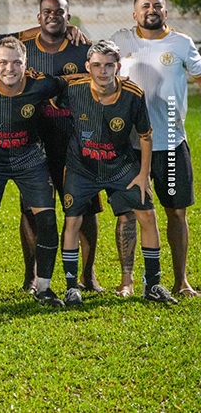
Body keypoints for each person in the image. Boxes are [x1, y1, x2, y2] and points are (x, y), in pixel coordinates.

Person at [58, 40, 177, 305]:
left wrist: (143, 174)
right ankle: (70, 286)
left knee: (147, 214)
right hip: (81, 167)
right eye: (97, 65)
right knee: (72, 220)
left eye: (109, 65)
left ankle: (153, 285)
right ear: (87, 67)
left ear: (118, 67)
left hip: (120, 166)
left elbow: (146, 135)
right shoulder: (73, 89)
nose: (103, 71)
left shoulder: (133, 93)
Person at [0, 36, 67, 309]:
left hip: (30, 161)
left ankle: (44, 288)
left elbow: (72, 81)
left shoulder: (40, 83)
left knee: (47, 221)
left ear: (25, 64)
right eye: (3, 62)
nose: (10, 68)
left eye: (16, 62)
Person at [112, 0, 201, 297]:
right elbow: (93, 61)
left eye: (157, 5)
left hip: (171, 143)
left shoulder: (182, 43)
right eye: (145, 5)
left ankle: (181, 281)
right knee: (128, 214)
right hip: (129, 147)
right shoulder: (120, 41)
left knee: (176, 211)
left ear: (166, 12)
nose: (151, 9)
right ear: (135, 13)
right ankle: (127, 282)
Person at [18, 0, 105, 293]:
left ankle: (89, 274)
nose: (53, 16)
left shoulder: (85, 49)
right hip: (33, 144)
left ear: (69, 17)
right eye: (47, 11)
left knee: (85, 208)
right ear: (38, 17)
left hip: (75, 142)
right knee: (31, 210)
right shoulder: (24, 49)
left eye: (60, 12)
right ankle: (32, 276)